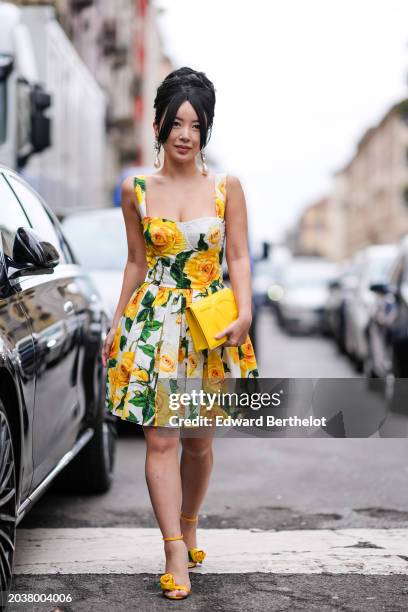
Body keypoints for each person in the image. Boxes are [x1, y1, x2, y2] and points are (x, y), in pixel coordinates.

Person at [102, 66, 259, 600]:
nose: (185, 133)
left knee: (198, 442)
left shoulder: (226, 189)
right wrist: (117, 318)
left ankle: (190, 521)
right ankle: (173, 548)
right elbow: (134, 261)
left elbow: (237, 254)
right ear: (158, 124)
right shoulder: (137, 189)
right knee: (161, 437)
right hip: (154, 324)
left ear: (206, 130)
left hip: (209, 326)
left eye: (196, 123)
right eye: (176, 122)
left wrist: (246, 313)